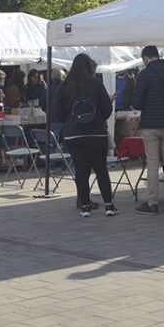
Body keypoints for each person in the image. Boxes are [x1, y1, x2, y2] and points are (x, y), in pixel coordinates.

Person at [52, 53, 117, 218]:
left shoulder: (65, 86)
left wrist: (69, 120)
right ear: (89, 67)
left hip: (74, 135)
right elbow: (107, 109)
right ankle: (109, 205)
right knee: (101, 169)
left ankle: (85, 207)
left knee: (81, 171)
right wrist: (98, 119)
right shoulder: (96, 84)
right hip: (96, 133)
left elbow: (57, 113)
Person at [131, 45, 164, 214]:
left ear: (146, 58)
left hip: (150, 126)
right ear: (158, 55)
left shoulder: (145, 74)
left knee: (152, 163)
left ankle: (152, 202)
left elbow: (137, 103)